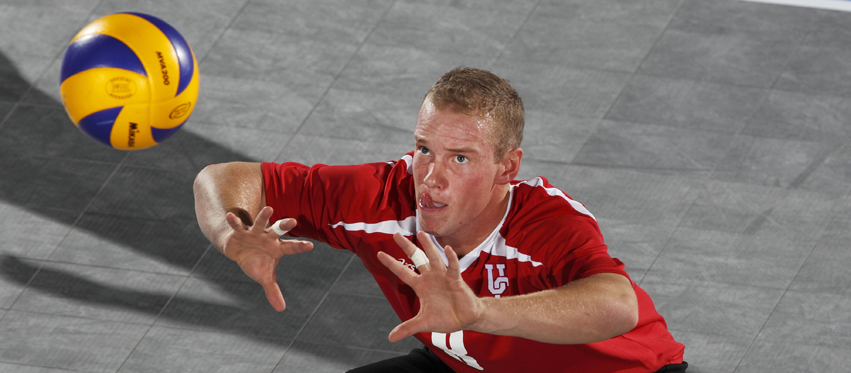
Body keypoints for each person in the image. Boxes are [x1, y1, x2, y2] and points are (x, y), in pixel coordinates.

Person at [193, 67, 687, 372]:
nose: (431, 177)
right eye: (424, 149)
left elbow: (617, 305)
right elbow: (222, 178)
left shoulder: (546, 221)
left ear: (506, 168)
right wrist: (232, 235)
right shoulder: (384, 196)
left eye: (461, 158)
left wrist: (480, 314)